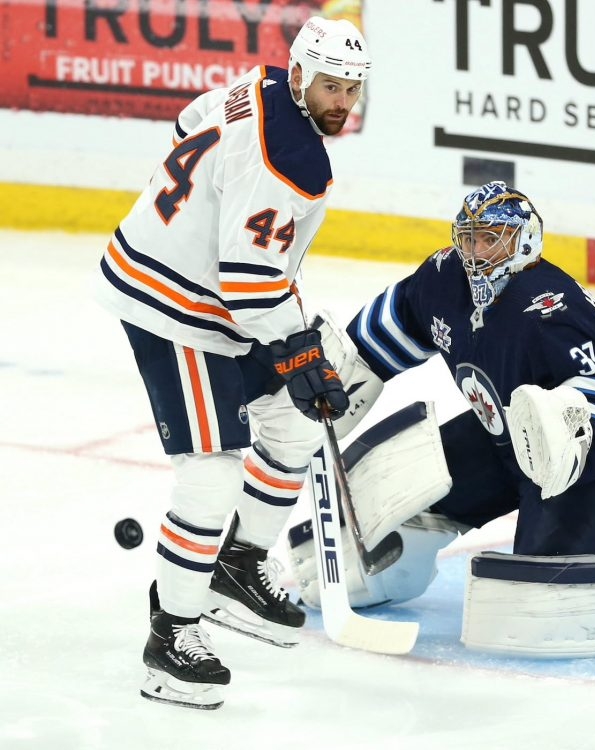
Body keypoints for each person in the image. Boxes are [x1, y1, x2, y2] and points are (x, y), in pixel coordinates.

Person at [94, 16, 371, 710]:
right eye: (332, 86)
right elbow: (249, 285)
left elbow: (189, 119)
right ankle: (173, 636)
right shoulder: (293, 158)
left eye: (353, 88)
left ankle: (237, 568)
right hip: (178, 309)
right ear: (301, 74)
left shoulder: (262, 85)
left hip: (217, 298)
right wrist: (301, 349)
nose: (343, 101)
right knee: (214, 473)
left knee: (295, 429)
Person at [337, 180, 595, 557]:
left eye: (492, 238)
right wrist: (333, 377)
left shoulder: (551, 313)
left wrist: (554, 484)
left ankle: (587, 536)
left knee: (541, 587)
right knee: (400, 488)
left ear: (525, 241)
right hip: (508, 434)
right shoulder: (445, 278)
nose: (477, 253)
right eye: (469, 239)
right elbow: (385, 331)